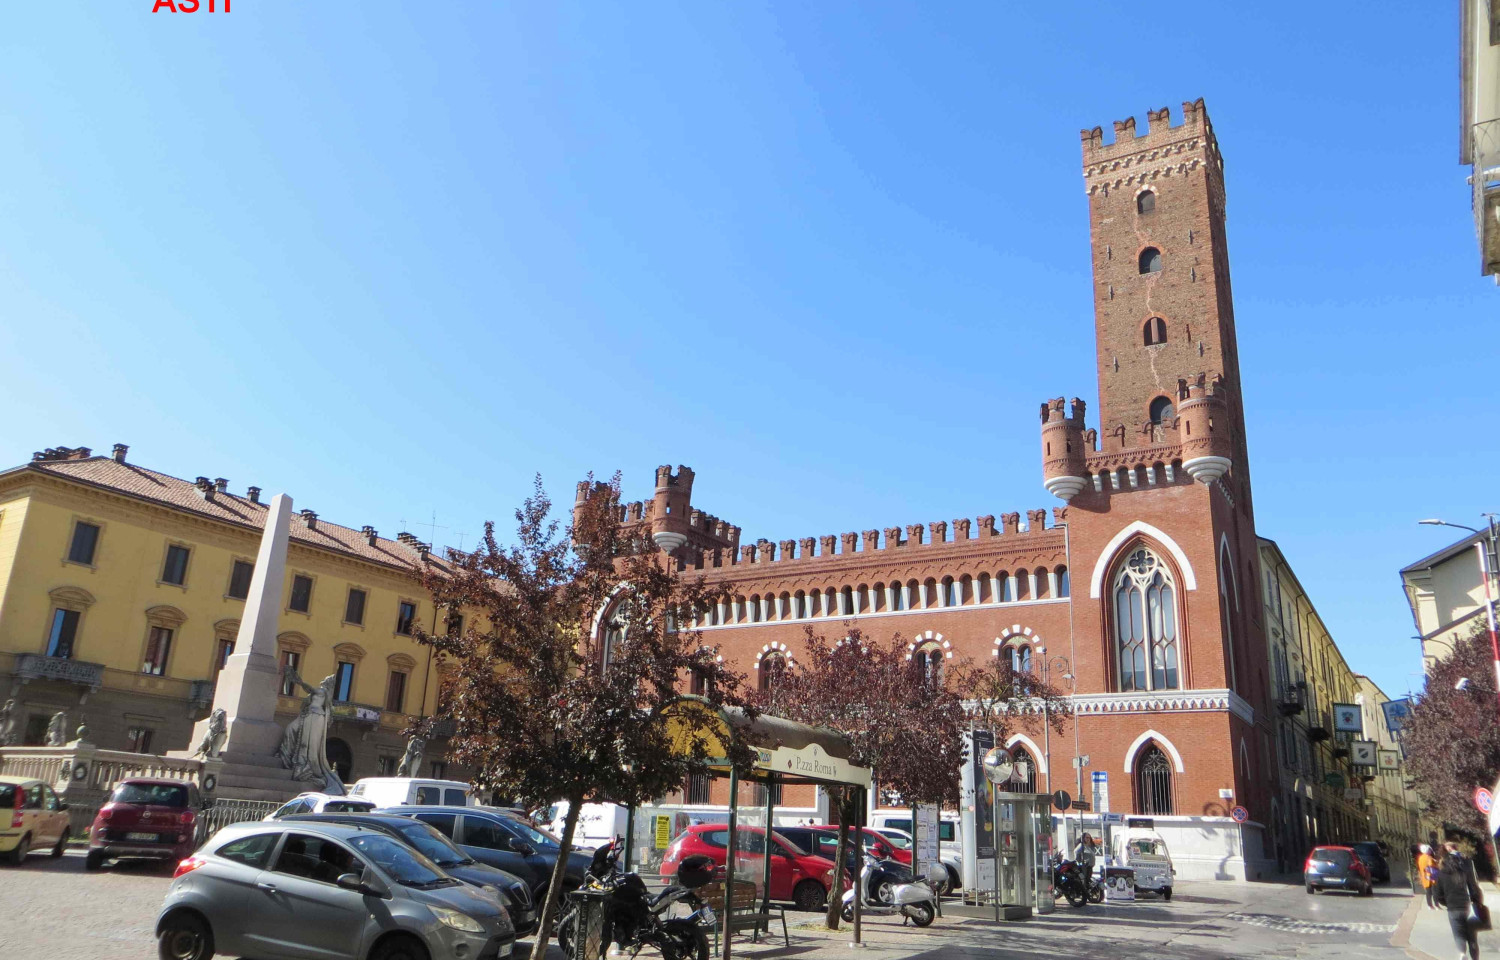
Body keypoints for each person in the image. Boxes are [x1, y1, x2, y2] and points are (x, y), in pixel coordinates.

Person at [1435, 840, 1485, 960]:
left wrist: (1447, 903)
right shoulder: (1465, 871)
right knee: (1472, 937)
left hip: (1453, 908)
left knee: (1458, 934)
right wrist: (1478, 902)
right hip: (1469, 907)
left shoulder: (1441, 874)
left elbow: (1438, 895)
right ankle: (1475, 958)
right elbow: (1474, 888)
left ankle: (1462, 954)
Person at [1419, 844, 1440, 910]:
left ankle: (1429, 905)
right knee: (1434, 891)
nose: (1431, 851)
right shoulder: (1429, 857)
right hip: (1431, 876)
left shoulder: (1421, 858)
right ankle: (1436, 905)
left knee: (1428, 892)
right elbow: (1431, 864)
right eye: (1430, 850)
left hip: (1424, 876)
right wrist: (1436, 864)